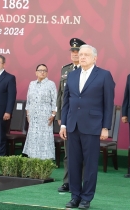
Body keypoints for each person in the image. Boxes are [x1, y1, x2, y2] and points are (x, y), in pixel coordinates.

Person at [60, 44, 115, 209]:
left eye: (86, 55)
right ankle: (75, 196)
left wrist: (105, 127)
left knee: (90, 164)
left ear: (95, 58)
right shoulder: (72, 75)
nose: (82, 57)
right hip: (72, 125)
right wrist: (63, 124)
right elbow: (66, 102)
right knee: (73, 163)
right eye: (80, 54)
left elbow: (108, 103)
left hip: (93, 126)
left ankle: (86, 198)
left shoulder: (104, 75)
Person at [56, 38, 86, 192]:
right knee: (68, 153)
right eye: (73, 51)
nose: (74, 54)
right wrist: (60, 116)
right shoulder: (65, 70)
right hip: (68, 117)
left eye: (77, 51)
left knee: (83, 154)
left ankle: (81, 183)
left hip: (85, 118)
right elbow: (61, 95)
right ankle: (67, 181)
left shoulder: (88, 70)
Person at [22, 64, 57, 159]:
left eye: (45, 70)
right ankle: (33, 158)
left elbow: (55, 101)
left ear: (47, 73)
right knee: (33, 137)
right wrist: (28, 115)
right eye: (40, 70)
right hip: (33, 116)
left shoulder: (51, 84)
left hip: (46, 116)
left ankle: (45, 160)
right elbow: (28, 101)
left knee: (44, 138)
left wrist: (53, 114)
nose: (42, 72)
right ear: (36, 72)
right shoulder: (32, 84)